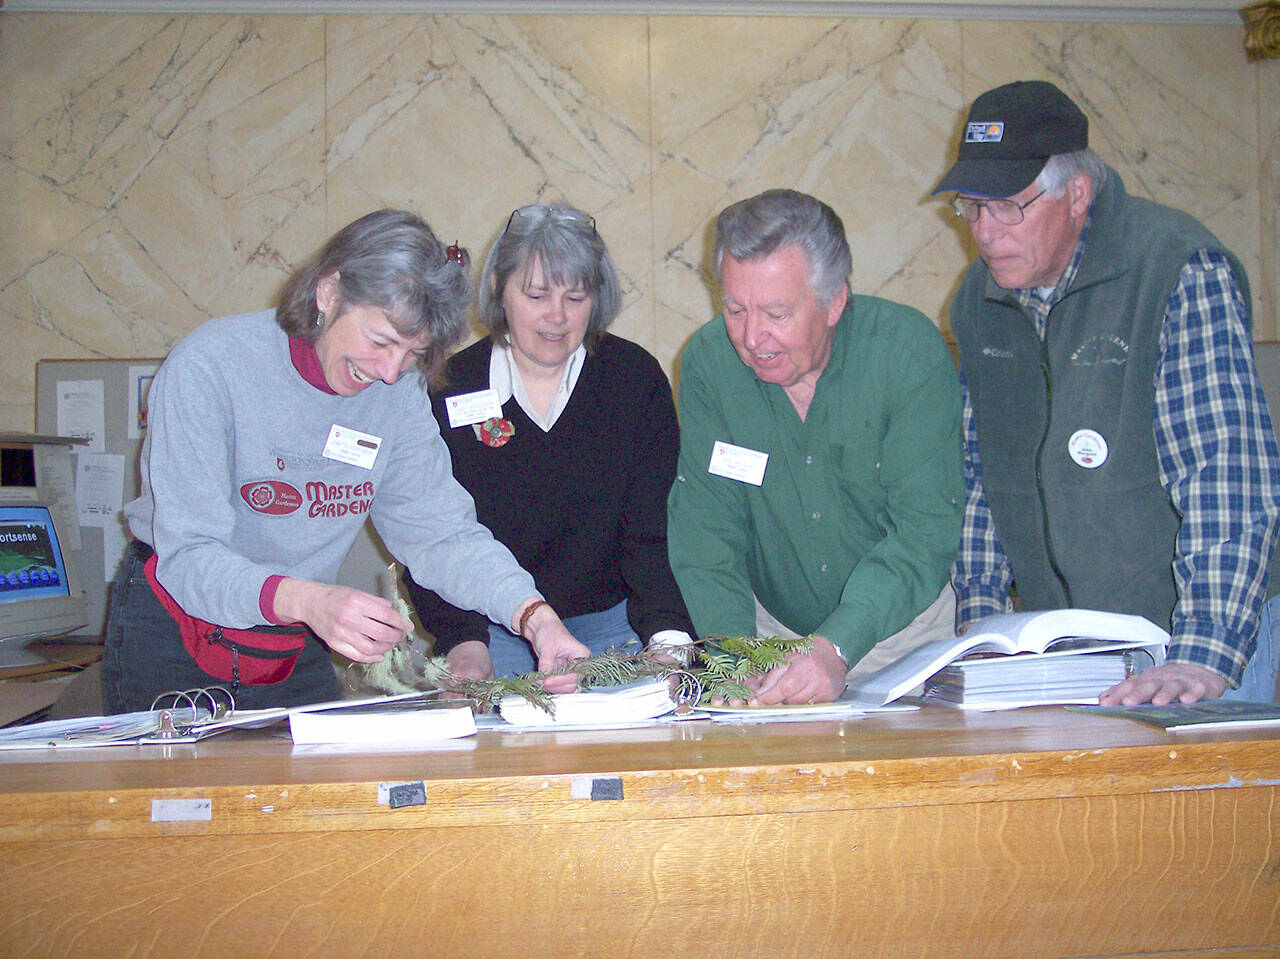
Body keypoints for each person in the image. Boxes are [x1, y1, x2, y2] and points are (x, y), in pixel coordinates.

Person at [102, 209, 589, 713]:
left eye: (412, 353)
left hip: (291, 630)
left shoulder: (398, 391)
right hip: (175, 629)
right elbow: (191, 556)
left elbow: (443, 536)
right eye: (380, 342)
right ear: (329, 293)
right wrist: (312, 602)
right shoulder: (211, 367)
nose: (388, 371)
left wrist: (536, 618)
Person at [936, 79, 1280, 706]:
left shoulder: (1175, 267)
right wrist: (983, 625)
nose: (986, 232)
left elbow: (1224, 472)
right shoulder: (978, 300)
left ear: (1078, 192)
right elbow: (979, 475)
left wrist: (1204, 653)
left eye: (1009, 205)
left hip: (1191, 634)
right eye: (971, 206)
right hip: (1068, 645)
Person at [667, 188, 964, 705]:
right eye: (735, 309)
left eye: (777, 313)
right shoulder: (709, 366)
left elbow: (924, 532)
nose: (752, 337)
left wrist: (837, 646)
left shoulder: (907, 356)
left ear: (835, 302)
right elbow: (706, 529)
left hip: (901, 639)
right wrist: (734, 657)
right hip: (767, 640)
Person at [402, 203, 695, 681]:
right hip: (495, 628)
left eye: (576, 298)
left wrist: (667, 635)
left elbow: (653, 527)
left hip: (617, 625)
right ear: (498, 289)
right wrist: (463, 642)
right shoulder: (449, 385)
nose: (556, 318)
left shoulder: (632, 379)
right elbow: (433, 532)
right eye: (537, 295)